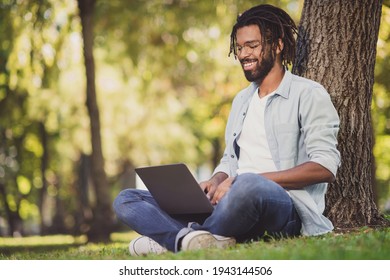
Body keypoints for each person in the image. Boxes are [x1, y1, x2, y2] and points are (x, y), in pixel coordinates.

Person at [113, 4, 340, 256]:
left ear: (277, 45)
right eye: (240, 47)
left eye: (252, 46)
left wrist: (242, 181)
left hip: (282, 207)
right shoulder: (241, 101)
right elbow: (230, 161)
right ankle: (190, 239)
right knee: (127, 199)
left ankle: (175, 238)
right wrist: (216, 181)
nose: (243, 54)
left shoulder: (308, 94)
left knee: (249, 185)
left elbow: (325, 167)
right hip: (230, 201)